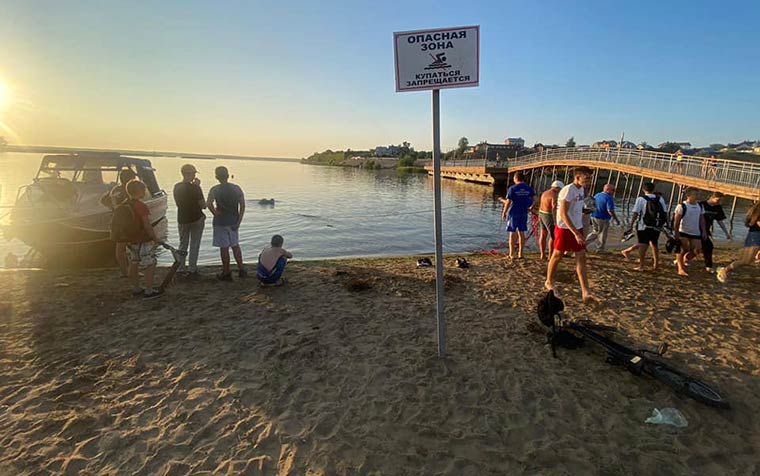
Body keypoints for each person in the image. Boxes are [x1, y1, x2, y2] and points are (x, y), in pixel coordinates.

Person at [545, 167, 597, 302]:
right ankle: (549, 281)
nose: (589, 181)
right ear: (577, 177)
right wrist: (575, 233)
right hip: (564, 228)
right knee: (557, 255)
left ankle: (586, 292)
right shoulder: (568, 190)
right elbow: (563, 213)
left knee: (581, 257)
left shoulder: (581, 190)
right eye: (587, 178)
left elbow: (576, 209)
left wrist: (582, 219)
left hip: (577, 227)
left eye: (590, 178)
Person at [207, 166, 247, 280]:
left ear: (216, 177)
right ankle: (241, 269)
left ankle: (226, 271)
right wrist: (239, 221)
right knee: (235, 245)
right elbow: (242, 205)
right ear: (228, 176)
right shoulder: (236, 188)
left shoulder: (214, 189)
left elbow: (208, 203)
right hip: (234, 221)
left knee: (224, 248)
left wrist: (215, 213)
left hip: (220, 222)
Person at [125, 180, 163, 299]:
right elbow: (147, 225)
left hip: (130, 240)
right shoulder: (141, 206)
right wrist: (155, 238)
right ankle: (149, 290)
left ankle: (136, 288)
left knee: (134, 262)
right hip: (143, 240)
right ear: (140, 191)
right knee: (150, 264)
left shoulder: (125, 204)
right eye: (144, 190)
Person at [101, 168, 137, 277]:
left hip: (115, 220)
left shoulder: (115, 189)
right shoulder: (128, 191)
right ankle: (131, 271)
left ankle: (124, 271)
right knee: (131, 247)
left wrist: (113, 207)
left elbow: (103, 200)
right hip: (126, 222)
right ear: (130, 179)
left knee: (120, 248)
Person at [623, 182, 668, 271]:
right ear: (654, 189)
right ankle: (656, 264)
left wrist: (631, 225)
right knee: (654, 245)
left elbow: (636, 212)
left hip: (643, 226)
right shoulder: (660, 198)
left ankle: (641, 265)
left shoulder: (641, 199)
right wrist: (668, 224)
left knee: (643, 245)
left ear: (643, 189)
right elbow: (665, 212)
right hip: (656, 225)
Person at [173, 164, 206, 276]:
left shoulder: (177, 187)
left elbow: (179, 203)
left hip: (182, 218)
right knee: (194, 244)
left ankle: (181, 268)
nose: (194, 175)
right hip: (196, 218)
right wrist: (197, 187)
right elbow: (203, 205)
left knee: (183, 244)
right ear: (190, 174)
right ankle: (192, 268)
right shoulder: (196, 188)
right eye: (194, 173)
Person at [717, 201, 760, 283]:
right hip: (755, 237)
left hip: (754, 235)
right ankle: (724, 271)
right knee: (745, 260)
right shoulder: (758, 211)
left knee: (747, 259)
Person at [499, 172, 536, 259]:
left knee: (512, 232)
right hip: (524, 212)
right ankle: (521, 253)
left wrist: (504, 212)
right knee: (521, 232)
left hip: (514, 212)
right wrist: (531, 207)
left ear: (515, 178)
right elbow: (536, 199)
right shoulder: (528, 188)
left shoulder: (512, 188)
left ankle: (511, 254)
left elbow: (508, 202)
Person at [673, 188, 707, 277]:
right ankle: (680, 268)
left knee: (697, 249)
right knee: (682, 249)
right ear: (689, 195)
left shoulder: (700, 206)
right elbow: (676, 220)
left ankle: (685, 259)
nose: (697, 196)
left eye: (697, 194)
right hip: (683, 230)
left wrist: (704, 231)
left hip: (695, 231)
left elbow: (701, 219)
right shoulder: (682, 206)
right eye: (695, 194)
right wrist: (676, 232)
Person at [699, 191, 732, 273]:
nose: (719, 202)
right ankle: (683, 259)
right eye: (718, 200)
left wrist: (726, 233)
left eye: (720, 200)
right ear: (712, 197)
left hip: (706, 230)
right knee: (697, 247)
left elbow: (720, 221)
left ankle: (709, 267)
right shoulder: (701, 205)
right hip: (696, 228)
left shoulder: (718, 207)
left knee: (709, 247)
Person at [586, 183, 620, 251]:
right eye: (613, 190)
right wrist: (616, 219)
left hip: (594, 216)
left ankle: (584, 243)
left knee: (595, 231)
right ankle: (600, 249)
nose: (614, 192)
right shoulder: (609, 197)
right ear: (607, 190)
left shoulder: (597, 195)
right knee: (602, 233)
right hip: (603, 218)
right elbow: (610, 210)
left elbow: (592, 205)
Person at [538, 181, 563, 259]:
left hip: (541, 213)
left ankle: (542, 254)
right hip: (549, 215)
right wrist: (556, 220)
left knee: (543, 234)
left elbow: (539, 202)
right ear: (557, 188)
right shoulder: (554, 195)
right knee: (553, 236)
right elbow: (554, 207)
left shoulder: (545, 193)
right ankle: (550, 255)